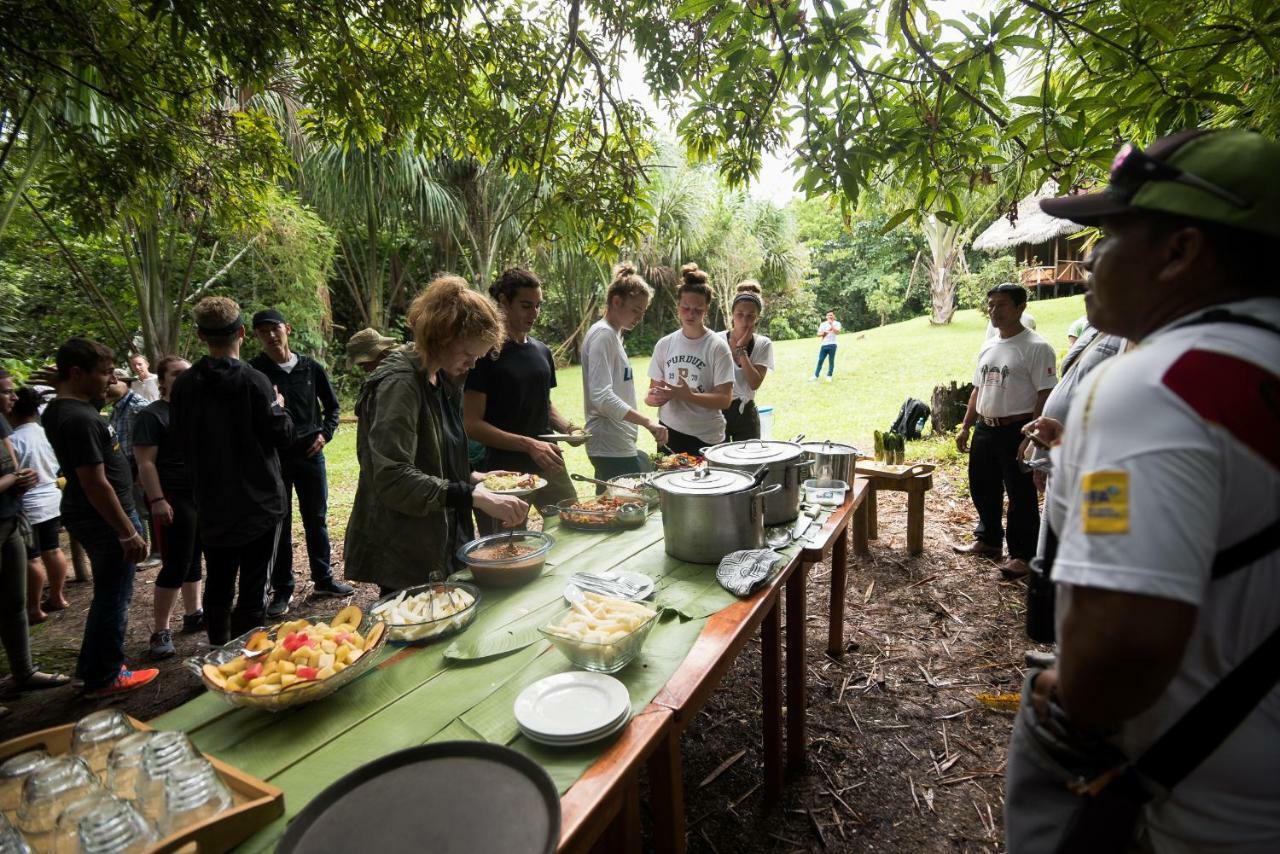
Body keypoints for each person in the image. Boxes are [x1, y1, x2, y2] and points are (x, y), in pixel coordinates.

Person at [1005, 129, 1280, 853]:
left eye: (1111, 233)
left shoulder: (1153, 387)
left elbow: (1117, 656)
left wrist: (1057, 695)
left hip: (1198, 817)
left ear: (1181, 252)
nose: (1089, 257)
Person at [345, 276, 528, 593]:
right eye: (468, 354)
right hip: (405, 548)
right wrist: (470, 495)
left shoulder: (441, 378)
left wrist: (473, 479)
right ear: (442, 337)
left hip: (440, 538)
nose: (472, 365)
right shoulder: (399, 384)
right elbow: (393, 477)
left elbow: (433, 457)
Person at [171, 297, 295, 646]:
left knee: (219, 581)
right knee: (255, 587)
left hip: (211, 503)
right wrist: (281, 409)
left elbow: (179, 440)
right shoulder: (255, 382)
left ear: (199, 336)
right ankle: (248, 657)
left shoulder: (184, 386)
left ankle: (218, 650)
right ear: (242, 332)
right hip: (260, 503)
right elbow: (282, 436)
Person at [42, 339, 158, 697]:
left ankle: (93, 669)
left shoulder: (67, 408)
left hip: (98, 517)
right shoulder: (77, 419)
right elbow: (95, 483)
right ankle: (105, 676)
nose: (111, 380)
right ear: (77, 374)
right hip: (106, 520)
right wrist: (126, 531)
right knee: (114, 596)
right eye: (105, 373)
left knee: (109, 592)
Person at [250, 309, 353, 618]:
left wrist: (325, 434)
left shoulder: (310, 367)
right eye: (262, 330)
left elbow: (332, 407)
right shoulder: (255, 371)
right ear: (255, 336)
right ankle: (283, 588)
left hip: (311, 454)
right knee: (280, 522)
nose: (270, 335)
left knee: (316, 518)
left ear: (288, 329)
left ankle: (323, 579)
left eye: (274, 328)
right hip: (275, 458)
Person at [952, 283, 1057, 578]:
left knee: (1020, 493)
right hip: (986, 426)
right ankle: (988, 540)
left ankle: (1023, 555)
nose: (994, 311)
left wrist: (1030, 437)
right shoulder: (989, 345)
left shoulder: (1036, 347)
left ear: (1021, 308)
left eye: (1001, 305)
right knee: (982, 485)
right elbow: (977, 389)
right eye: (991, 305)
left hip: (1016, 429)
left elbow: (1044, 394)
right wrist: (966, 427)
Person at [464, 268, 577, 529]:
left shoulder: (542, 351)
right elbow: (471, 423)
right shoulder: (484, 354)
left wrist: (569, 429)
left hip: (549, 460)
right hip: (503, 470)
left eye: (538, 306)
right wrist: (528, 445)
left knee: (575, 525)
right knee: (509, 545)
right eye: (526, 305)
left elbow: (543, 404)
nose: (534, 313)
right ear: (504, 302)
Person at [133, 356, 203, 660]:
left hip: (200, 495)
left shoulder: (196, 411)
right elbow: (145, 463)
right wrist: (158, 499)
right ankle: (160, 630)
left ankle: (194, 613)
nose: (184, 378)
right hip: (172, 497)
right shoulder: (153, 415)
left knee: (194, 558)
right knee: (176, 563)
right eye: (177, 374)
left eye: (188, 373)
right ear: (161, 381)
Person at [580, 264, 667, 485]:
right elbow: (601, 396)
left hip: (618, 442)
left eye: (643, 312)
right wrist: (648, 421)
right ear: (616, 302)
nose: (639, 317)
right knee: (621, 505)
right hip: (609, 444)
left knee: (618, 503)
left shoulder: (614, 335)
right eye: (635, 310)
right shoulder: (604, 335)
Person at [645, 263, 735, 454]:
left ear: (706, 310)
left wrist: (688, 395)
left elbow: (725, 399)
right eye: (686, 308)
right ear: (678, 306)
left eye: (698, 309)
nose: (691, 314)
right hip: (669, 431)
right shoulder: (664, 344)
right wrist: (655, 398)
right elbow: (653, 392)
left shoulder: (717, 347)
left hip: (706, 437)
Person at [6, 386, 70, 624]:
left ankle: (34, 608)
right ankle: (57, 596)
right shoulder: (45, 433)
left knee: (32, 557)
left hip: (30, 503)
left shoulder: (13, 440)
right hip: (52, 498)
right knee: (52, 549)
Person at [105, 371, 158, 569]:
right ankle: (142, 547)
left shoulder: (138, 406)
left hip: (139, 465)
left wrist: (142, 471)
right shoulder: (116, 407)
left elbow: (149, 441)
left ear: (124, 383)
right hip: (125, 465)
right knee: (137, 508)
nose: (108, 386)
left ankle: (157, 551)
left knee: (149, 508)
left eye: (113, 382)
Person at [722, 280, 775, 441]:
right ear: (732, 314)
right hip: (717, 411)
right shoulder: (716, 340)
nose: (744, 320)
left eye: (750, 316)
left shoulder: (762, 344)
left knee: (748, 463)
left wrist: (741, 350)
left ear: (757, 317)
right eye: (740, 314)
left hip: (745, 413)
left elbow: (754, 383)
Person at [811, 310, 841, 381]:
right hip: (824, 345)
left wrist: (831, 325)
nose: (830, 316)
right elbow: (818, 334)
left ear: (834, 316)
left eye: (831, 315)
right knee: (820, 360)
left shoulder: (837, 323)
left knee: (831, 361)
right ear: (826, 316)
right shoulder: (823, 324)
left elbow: (837, 332)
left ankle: (829, 376)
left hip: (832, 344)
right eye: (828, 315)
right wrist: (823, 333)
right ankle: (815, 375)